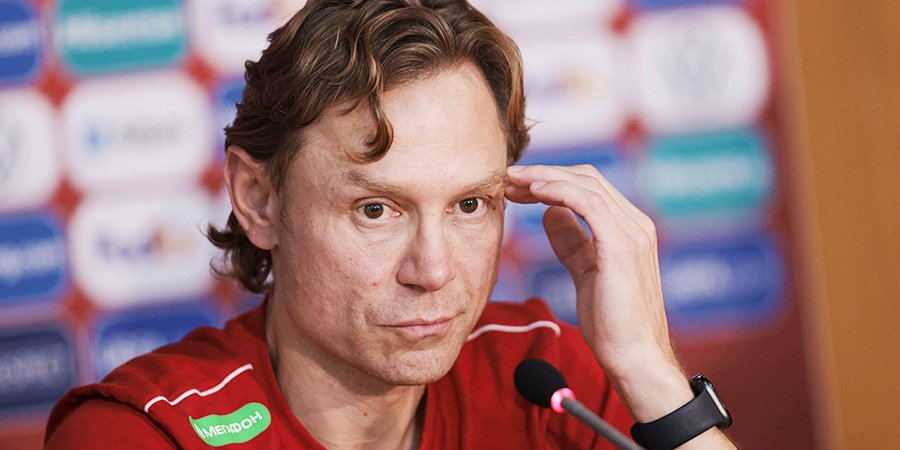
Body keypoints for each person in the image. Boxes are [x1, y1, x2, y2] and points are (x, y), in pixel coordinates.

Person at [45, 1, 737, 448]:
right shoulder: (143, 432)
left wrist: (649, 372)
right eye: (376, 209)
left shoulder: (546, 375)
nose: (434, 271)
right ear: (259, 201)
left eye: (470, 205)